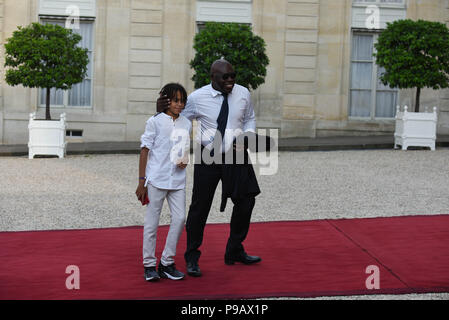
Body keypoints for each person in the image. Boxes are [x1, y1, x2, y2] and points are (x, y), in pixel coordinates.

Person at [157, 59, 262, 277]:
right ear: (213, 77)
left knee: (247, 201)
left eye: (233, 75)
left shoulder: (243, 93)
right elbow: (180, 122)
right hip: (209, 155)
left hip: (237, 154)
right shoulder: (197, 98)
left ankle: (234, 249)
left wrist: (248, 136)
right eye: (225, 77)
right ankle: (192, 257)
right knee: (200, 207)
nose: (231, 80)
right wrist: (178, 146)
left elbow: (250, 118)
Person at [136, 83, 192, 282]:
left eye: (182, 101)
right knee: (152, 224)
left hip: (177, 180)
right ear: (166, 100)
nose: (180, 104)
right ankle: (149, 265)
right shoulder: (155, 122)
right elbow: (145, 150)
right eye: (176, 100)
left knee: (179, 219)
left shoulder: (186, 123)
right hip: (156, 179)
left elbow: (185, 149)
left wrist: (184, 160)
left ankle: (167, 262)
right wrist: (142, 181)